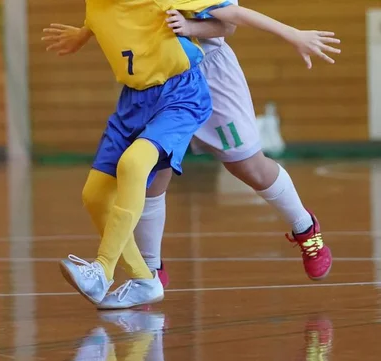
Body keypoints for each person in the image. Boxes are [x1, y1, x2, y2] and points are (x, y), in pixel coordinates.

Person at [43, 1, 340, 309]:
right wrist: (82, 33)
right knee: (151, 173)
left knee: (248, 166)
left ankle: (305, 228)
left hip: (205, 71)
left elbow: (228, 25)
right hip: (155, 79)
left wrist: (192, 28)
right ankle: (150, 270)